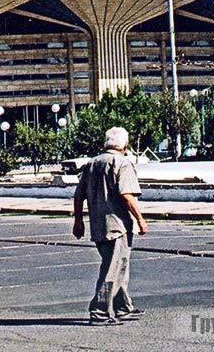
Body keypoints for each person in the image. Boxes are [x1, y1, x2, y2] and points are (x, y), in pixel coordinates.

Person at [73, 126, 149, 326]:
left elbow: (78, 195)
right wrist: (140, 219)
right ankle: (99, 311)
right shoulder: (122, 163)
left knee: (117, 265)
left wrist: (78, 221)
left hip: (98, 224)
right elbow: (127, 195)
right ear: (124, 144)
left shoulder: (92, 163)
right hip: (117, 224)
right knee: (113, 269)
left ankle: (123, 307)